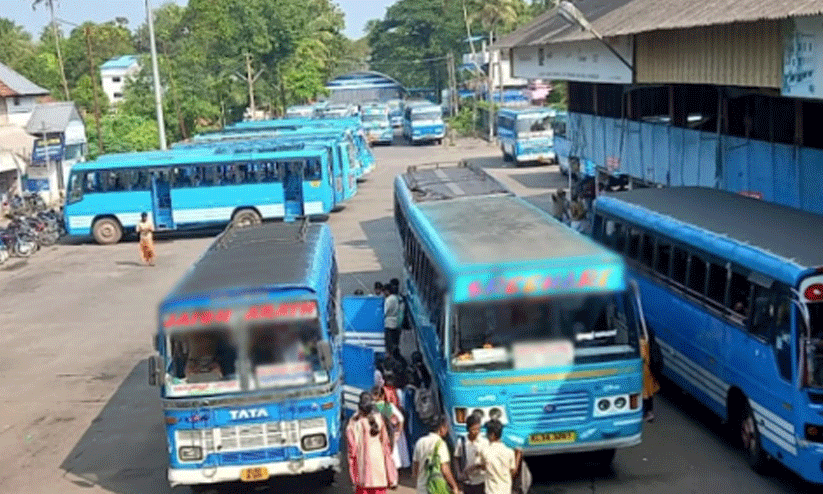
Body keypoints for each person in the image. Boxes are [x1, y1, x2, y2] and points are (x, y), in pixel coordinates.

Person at [347, 392, 398, 494]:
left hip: (363, 468)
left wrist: (353, 474)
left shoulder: (353, 423)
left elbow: (351, 451)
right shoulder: (380, 419)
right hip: (378, 465)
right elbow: (386, 445)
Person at [412, 415, 461, 494]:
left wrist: (418, 483)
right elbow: (445, 469)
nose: (447, 430)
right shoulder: (441, 444)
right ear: (441, 428)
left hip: (421, 488)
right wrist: (454, 486)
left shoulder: (420, 442)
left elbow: (415, 468)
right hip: (435, 489)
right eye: (446, 427)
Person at [477, 420, 517, 494]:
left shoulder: (484, 451)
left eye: (487, 433)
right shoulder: (509, 451)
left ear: (492, 435)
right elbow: (513, 470)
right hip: (506, 490)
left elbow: (483, 467)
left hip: (491, 490)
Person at [454, 413, 488, 494]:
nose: (476, 432)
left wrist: (476, 466)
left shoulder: (484, 442)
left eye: (478, 429)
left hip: (481, 480)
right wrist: (459, 473)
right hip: (467, 481)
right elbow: (456, 458)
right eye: (473, 429)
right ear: (468, 429)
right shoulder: (461, 442)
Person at [641, 331, 661, 422]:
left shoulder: (641, 343)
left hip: (644, 372)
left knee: (644, 394)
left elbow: (643, 357)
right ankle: (649, 412)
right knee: (649, 394)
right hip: (649, 372)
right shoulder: (650, 341)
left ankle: (646, 413)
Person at [384, 284, 401, 355]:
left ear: (387, 291)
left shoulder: (388, 300)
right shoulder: (395, 298)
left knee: (389, 343)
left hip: (389, 323)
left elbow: (385, 311)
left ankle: (391, 355)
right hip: (396, 322)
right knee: (395, 341)